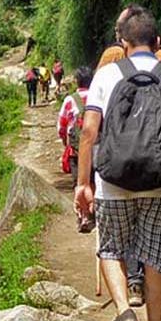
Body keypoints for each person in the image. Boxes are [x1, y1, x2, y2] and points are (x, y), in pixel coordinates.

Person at [75, 5, 161, 321]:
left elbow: (89, 132)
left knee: (111, 249)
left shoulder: (106, 76)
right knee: (157, 262)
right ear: (157, 42)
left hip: (112, 184)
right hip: (160, 185)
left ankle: (126, 312)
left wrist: (82, 183)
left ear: (121, 42)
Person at [58, 66, 94, 233]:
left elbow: (62, 125)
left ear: (77, 81)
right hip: (97, 147)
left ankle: (83, 216)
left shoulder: (70, 100)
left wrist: (66, 142)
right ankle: (96, 213)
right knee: (94, 180)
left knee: (78, 182)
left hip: (76, 149)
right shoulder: (98, 96)